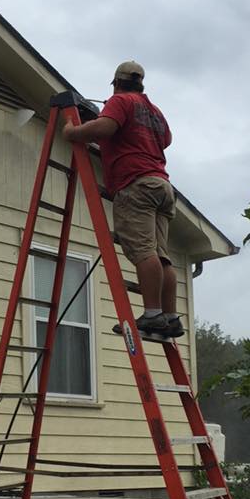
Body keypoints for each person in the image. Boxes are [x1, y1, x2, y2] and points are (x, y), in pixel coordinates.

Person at [62, 61, 183, 340]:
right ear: (141, 84)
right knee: (161, 255)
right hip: (162, 186)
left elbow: (104, 128)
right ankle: (170, 317)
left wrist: (72, 132)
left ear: (116, 83)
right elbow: (166, 139)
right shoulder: (153, 110)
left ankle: (152, 316)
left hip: (136, 184)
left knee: (143, 252)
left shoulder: (120, 101)